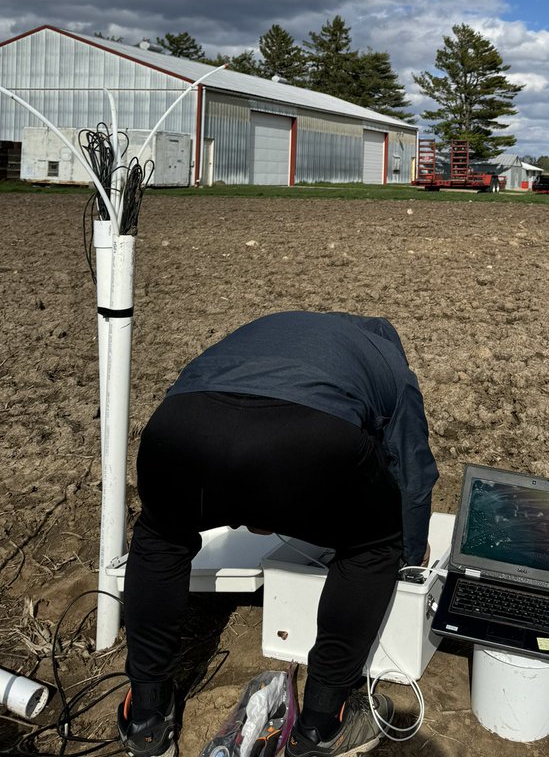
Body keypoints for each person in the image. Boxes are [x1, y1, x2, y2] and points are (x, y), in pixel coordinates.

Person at [116, 311, 438, 757]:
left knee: (160, 538)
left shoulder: (276, 327)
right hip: (304, 439)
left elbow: (238, 422)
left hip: (179, 427)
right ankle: (324, 723)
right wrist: (407, 549)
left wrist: (245, 499)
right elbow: (413, 472)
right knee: (372, 548)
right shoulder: (392, 365)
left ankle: (146, 715)